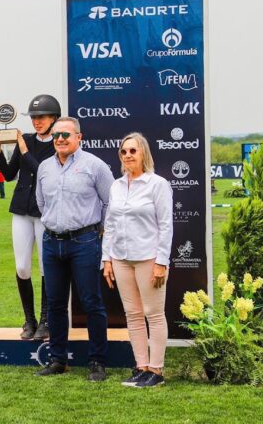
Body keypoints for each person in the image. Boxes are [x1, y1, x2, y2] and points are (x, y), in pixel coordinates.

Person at [34, 116, 114, 381]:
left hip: (84, 242)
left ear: (79, 137)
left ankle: (97, 361)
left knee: (91, 303)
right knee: (55, 304)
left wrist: (98, 230)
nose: (60, 139)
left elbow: (110, 202)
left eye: (66, 135)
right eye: (56, 135)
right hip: (51, 242)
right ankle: (58, 360)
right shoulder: (45, 167)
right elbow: (41, 202)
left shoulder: (95, 165)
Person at [102, 133, 172, 388]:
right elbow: (110, 224)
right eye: (124, 151)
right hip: (120, 258)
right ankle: (141, 367)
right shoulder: (116, 186)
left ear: (144, 153)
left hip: (148, 258)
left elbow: (166, 225)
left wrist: (162, 262)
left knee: (154, 314)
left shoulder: (157, 184)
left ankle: (157, 370)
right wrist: (106, 259)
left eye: (133, 150)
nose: (128, 155)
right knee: (132, 314)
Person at [0, 94, 60, 340]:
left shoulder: (58, 144)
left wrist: (23, 149)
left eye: (42, 117)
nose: (37, 121)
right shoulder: (27, 139)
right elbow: (10, 174)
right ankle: (29, 319)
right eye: (34, 117)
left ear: (54, 118)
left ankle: (46, 320)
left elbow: (43, 173)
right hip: (21, 208)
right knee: (21, 267)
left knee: (45, 266)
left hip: (44, 212)